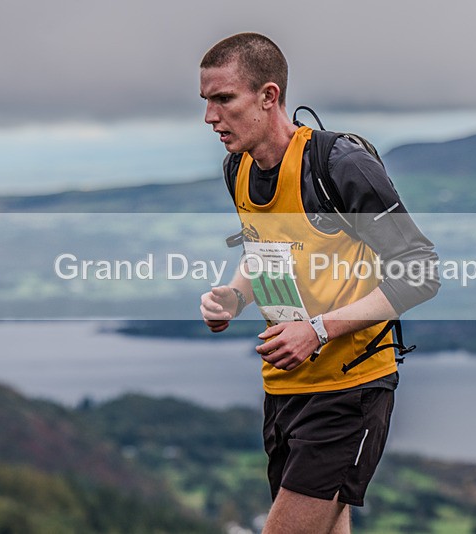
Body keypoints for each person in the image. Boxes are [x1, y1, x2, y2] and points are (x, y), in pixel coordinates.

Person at [199, 32, 439, 534]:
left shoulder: (339, 165)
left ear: (269, 96)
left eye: (224, 99)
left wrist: (318, 329)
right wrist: (234, 296)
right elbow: (265, 252)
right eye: (206, 101)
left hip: (350, 389)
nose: (210, 118)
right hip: (285, 389)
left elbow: (420, 271)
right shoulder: (238, 169)